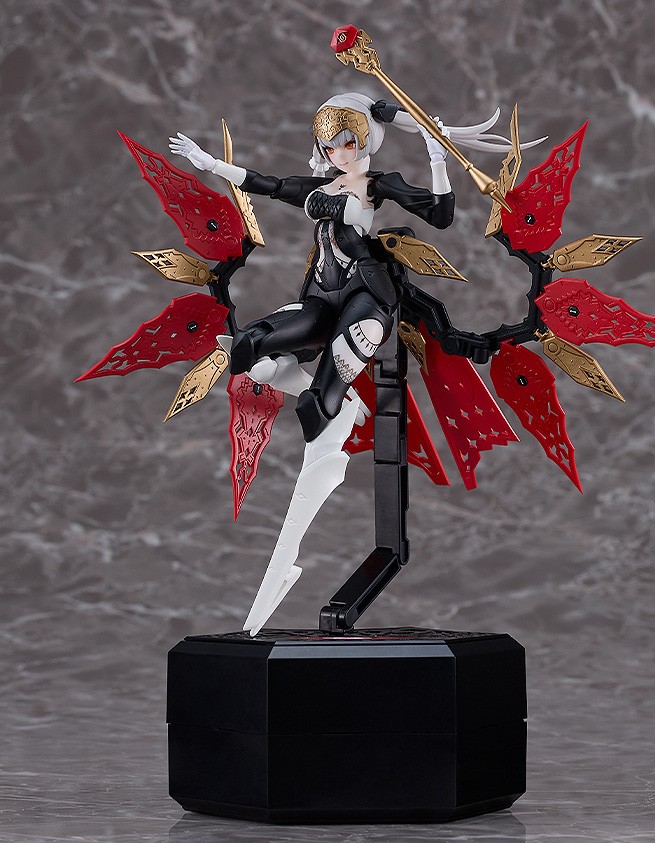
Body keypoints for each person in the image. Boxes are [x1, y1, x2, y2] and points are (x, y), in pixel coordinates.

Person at [169, 92, 540, 633]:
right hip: (321, 298)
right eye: (330, 143)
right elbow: (265, 183)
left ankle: (329, 414)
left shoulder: (377, 184)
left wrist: (437, 156)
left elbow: (440, 215)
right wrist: (208, 163)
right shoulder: (319, 188)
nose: (339, 151)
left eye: (347, 141)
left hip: (366, 301)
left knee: (317, 408)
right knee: (246, 348)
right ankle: (333, 401)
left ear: (364, 140)